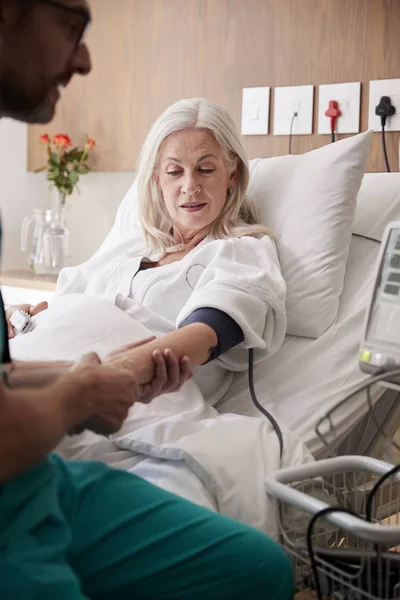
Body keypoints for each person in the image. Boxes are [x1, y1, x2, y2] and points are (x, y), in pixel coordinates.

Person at [0, 1, 294, 599]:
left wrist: (112, 376)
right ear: (155, 181)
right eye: (175, 171)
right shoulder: (120, 253)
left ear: (234, 175)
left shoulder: (238, 254)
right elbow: (64, 306)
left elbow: (197, 340)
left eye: (207, 170)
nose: (190, 186)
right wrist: (24, 320)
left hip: (119, 404)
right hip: (40, 382)